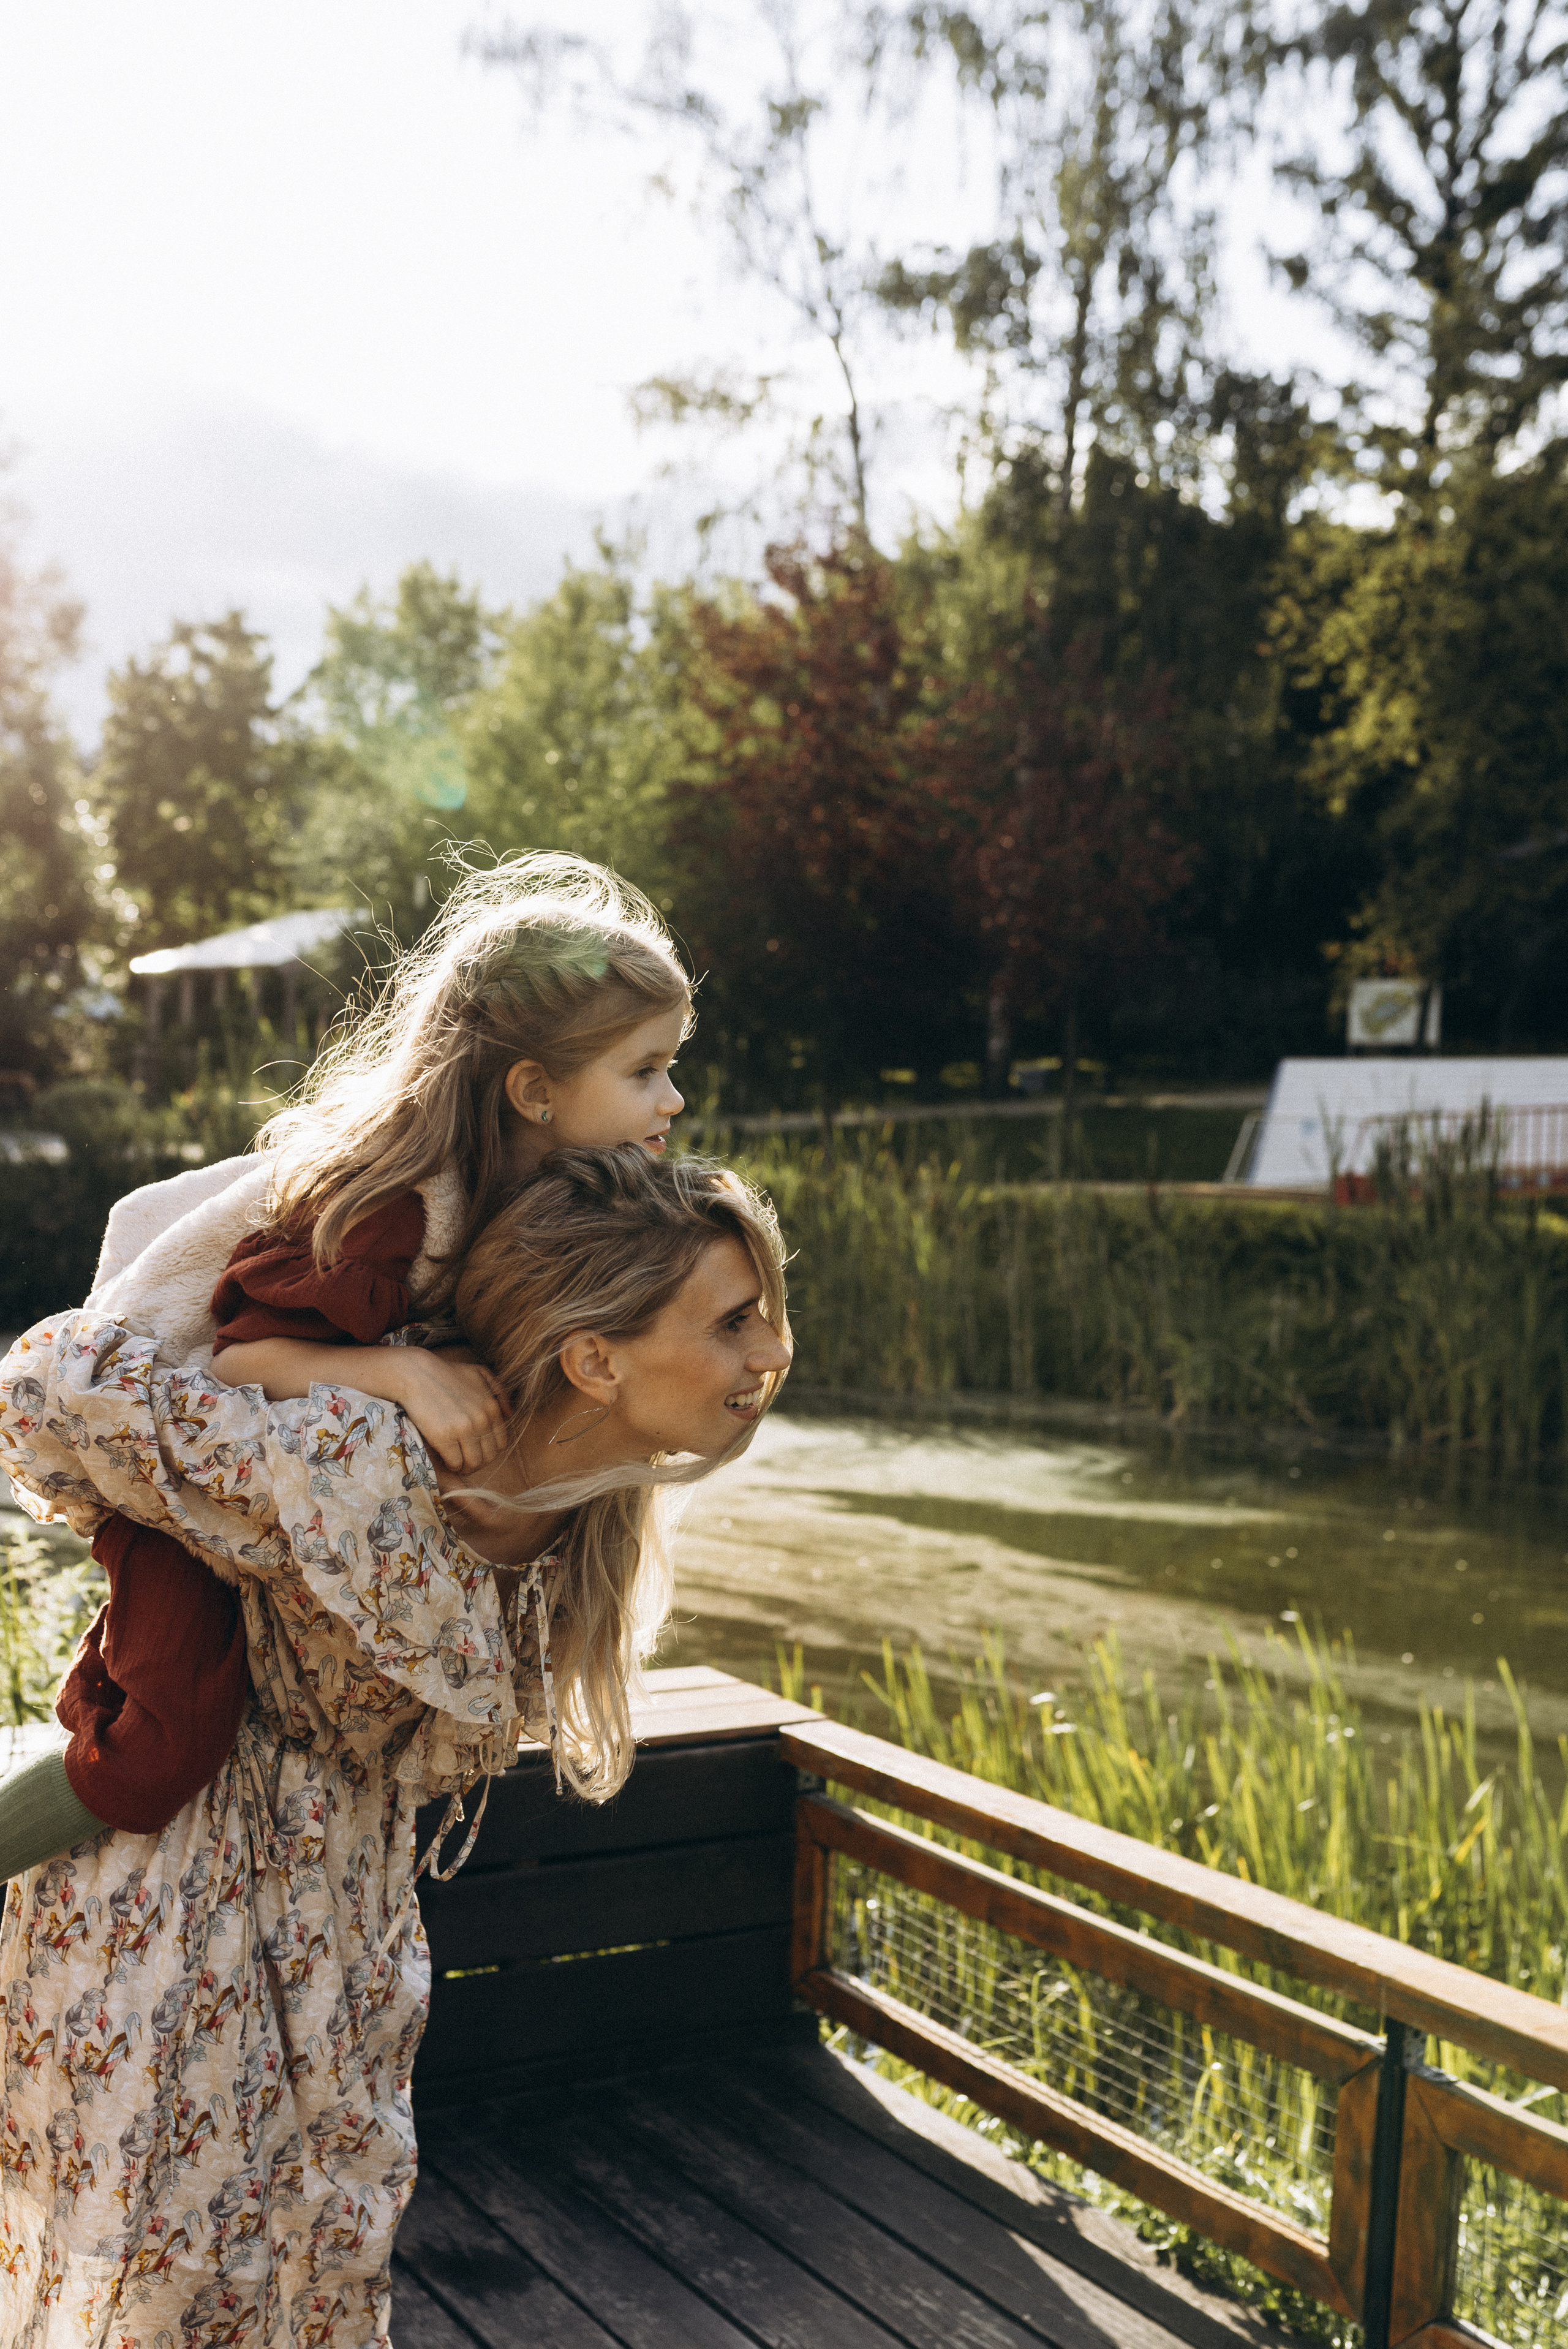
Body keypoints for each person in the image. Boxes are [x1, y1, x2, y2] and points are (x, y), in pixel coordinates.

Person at [0, 1144, 791, 2343]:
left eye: (769, 1313)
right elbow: (52, 1391)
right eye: (736, 1320)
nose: (771, 1352)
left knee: (318, 2284)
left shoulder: (585, 1521)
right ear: (593, 1357)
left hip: (346, 1941)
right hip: (176, 1909)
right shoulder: (361, 1452)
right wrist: (351, 1372)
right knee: (172, 2301)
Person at [0, 852, 693, 1886]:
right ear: (535, 1091)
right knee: (162, 1741)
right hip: (178, 1452)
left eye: (673, 1064)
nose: (674, 1098)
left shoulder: (533, 1206)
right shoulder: (403, 1206)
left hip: (281, 1492)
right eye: (644, 1069)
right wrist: (407, 1377)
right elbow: (247, 1354)